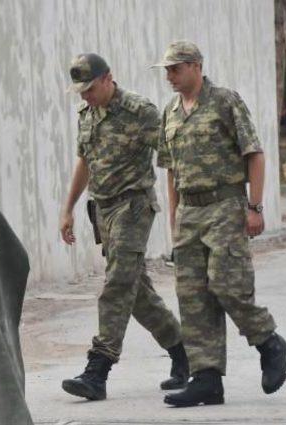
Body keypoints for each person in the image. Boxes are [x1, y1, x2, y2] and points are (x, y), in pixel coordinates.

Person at [151, 40, 286, 407]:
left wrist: (255, 206)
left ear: (196, 66)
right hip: (190, 214)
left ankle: (269, 343)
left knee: (228, 285)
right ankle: (207, 378)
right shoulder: (170, 113)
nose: (169, 76)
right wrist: (174, 220)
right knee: (193, 295)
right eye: (166, 70)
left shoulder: (225, 101)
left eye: (175, 68)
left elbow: (254, 154)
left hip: (226, 205)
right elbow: (170, 171)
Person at [59, 53, 188, 401]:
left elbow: (173, 156)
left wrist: (187, 208)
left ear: (107, 79)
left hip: (133, 206)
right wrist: (67, 208)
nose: (85, 96)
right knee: (136, 292)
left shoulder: (139, 111)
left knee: (117, 284)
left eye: (89, 89)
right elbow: (84, 162)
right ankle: (183, 352)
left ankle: (97, 370)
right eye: (80, 92)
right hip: (102, 209)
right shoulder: (86, 115)